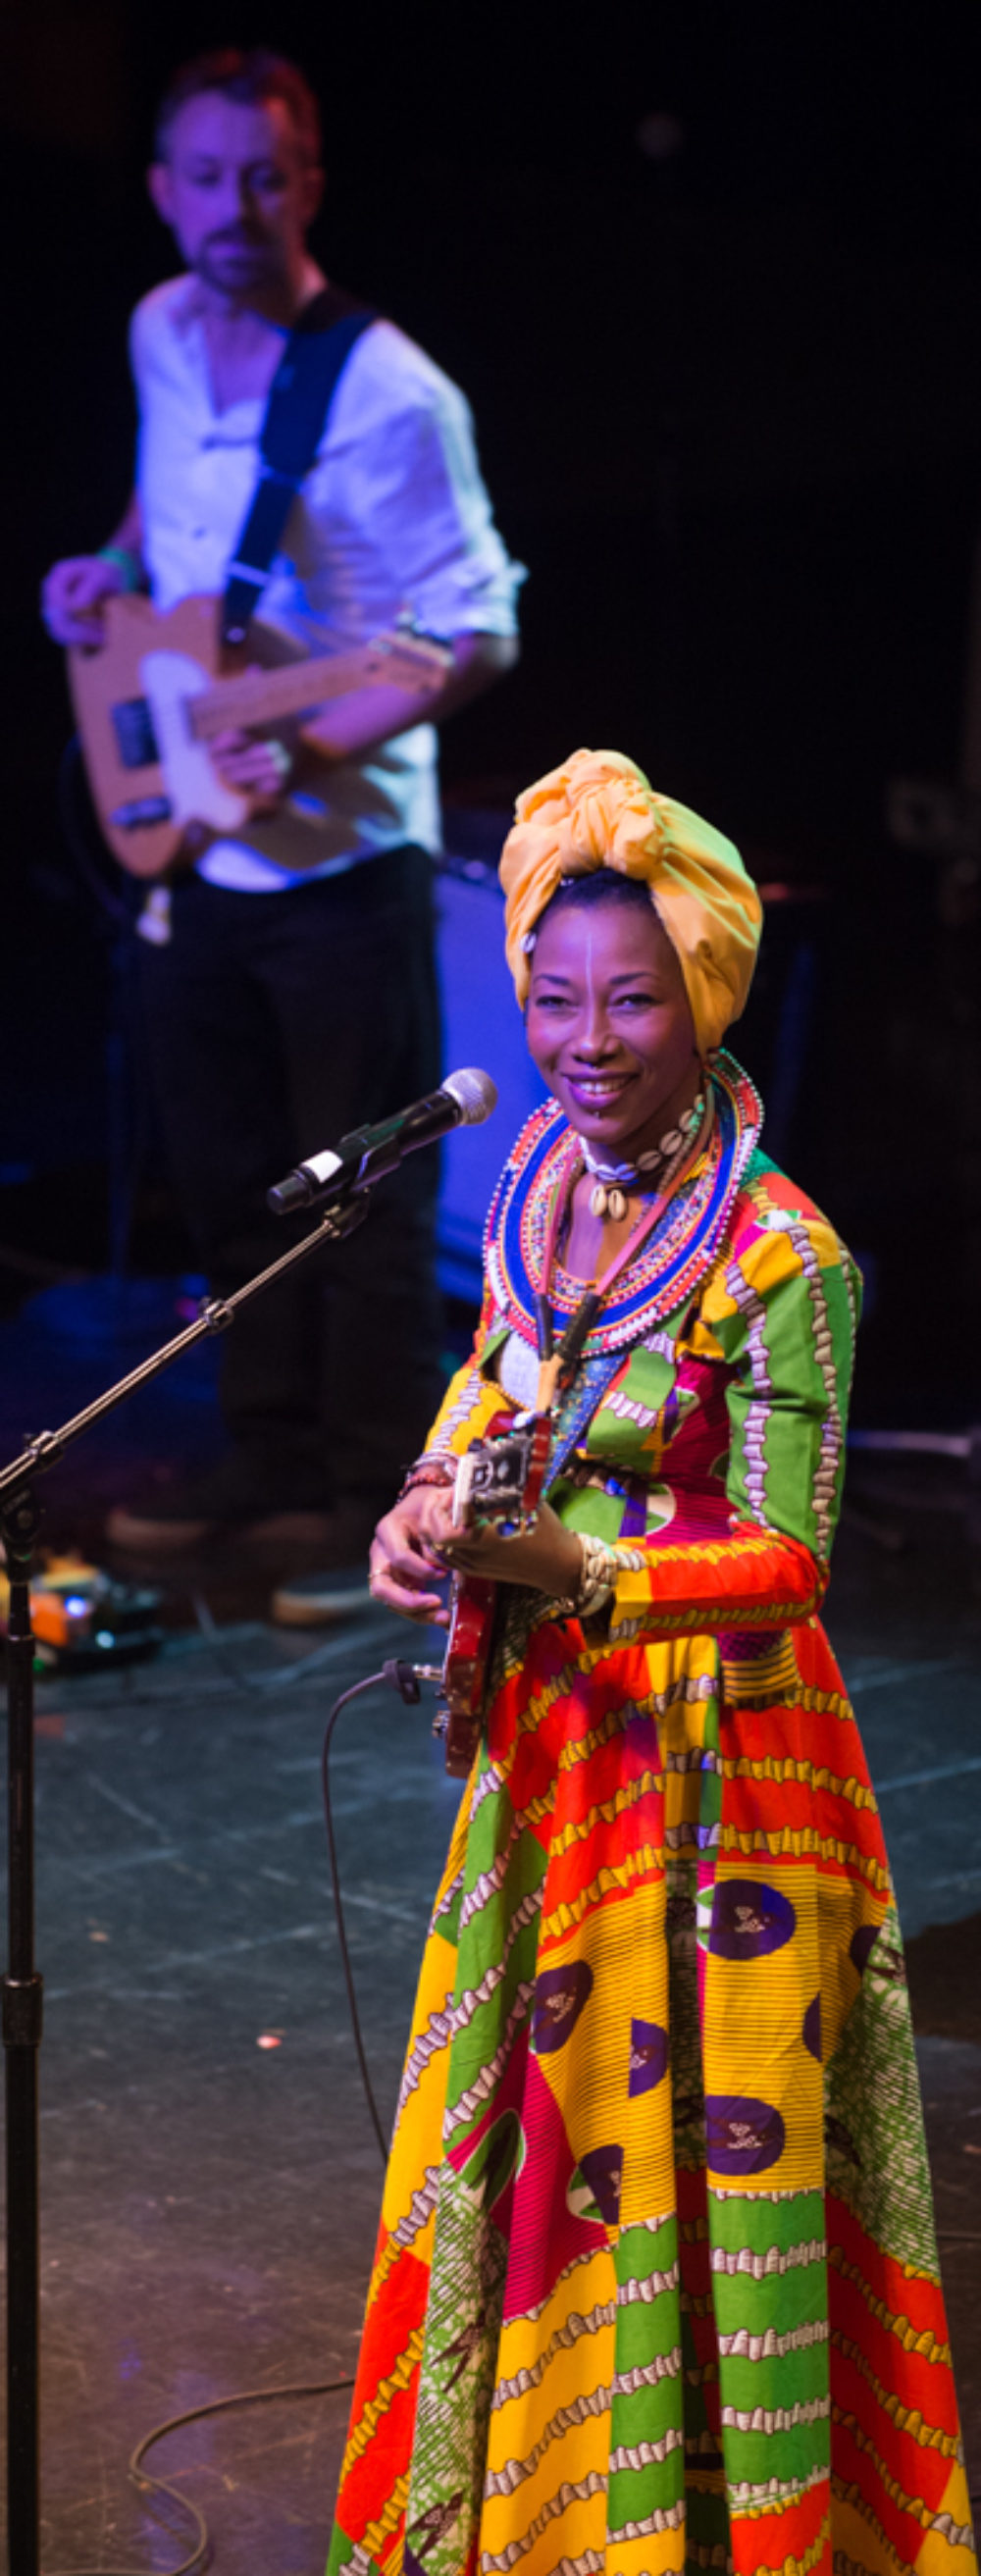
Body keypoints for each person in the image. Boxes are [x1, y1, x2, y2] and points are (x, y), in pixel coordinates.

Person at [328, 749, 977, 2576]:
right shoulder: (536, 1173)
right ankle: (545, 2512)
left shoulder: (786, 1256)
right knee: (551, 2140)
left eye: (629, 1000)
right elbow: (492, 1385)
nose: (586, 1038)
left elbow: (787, 1554)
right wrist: (423, 1498)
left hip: (726, 1774)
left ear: (702, 996)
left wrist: (568, 1562)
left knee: (715, 2155)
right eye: (551, 998)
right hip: (557, 1745)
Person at [40, 46, 521, 1566]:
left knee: (362, 1207)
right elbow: (168, 513)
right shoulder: (158, 330)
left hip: (341, 859)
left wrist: (315, 751)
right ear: (162, 192)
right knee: (233, 1179)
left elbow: (481, 626)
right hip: (190, 846)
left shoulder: (391, 391)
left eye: (266, 173)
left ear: (309, 182)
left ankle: (373, 1501)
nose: (234, 204)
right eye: (205, 175)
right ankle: (263, 1464)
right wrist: (109, 575)